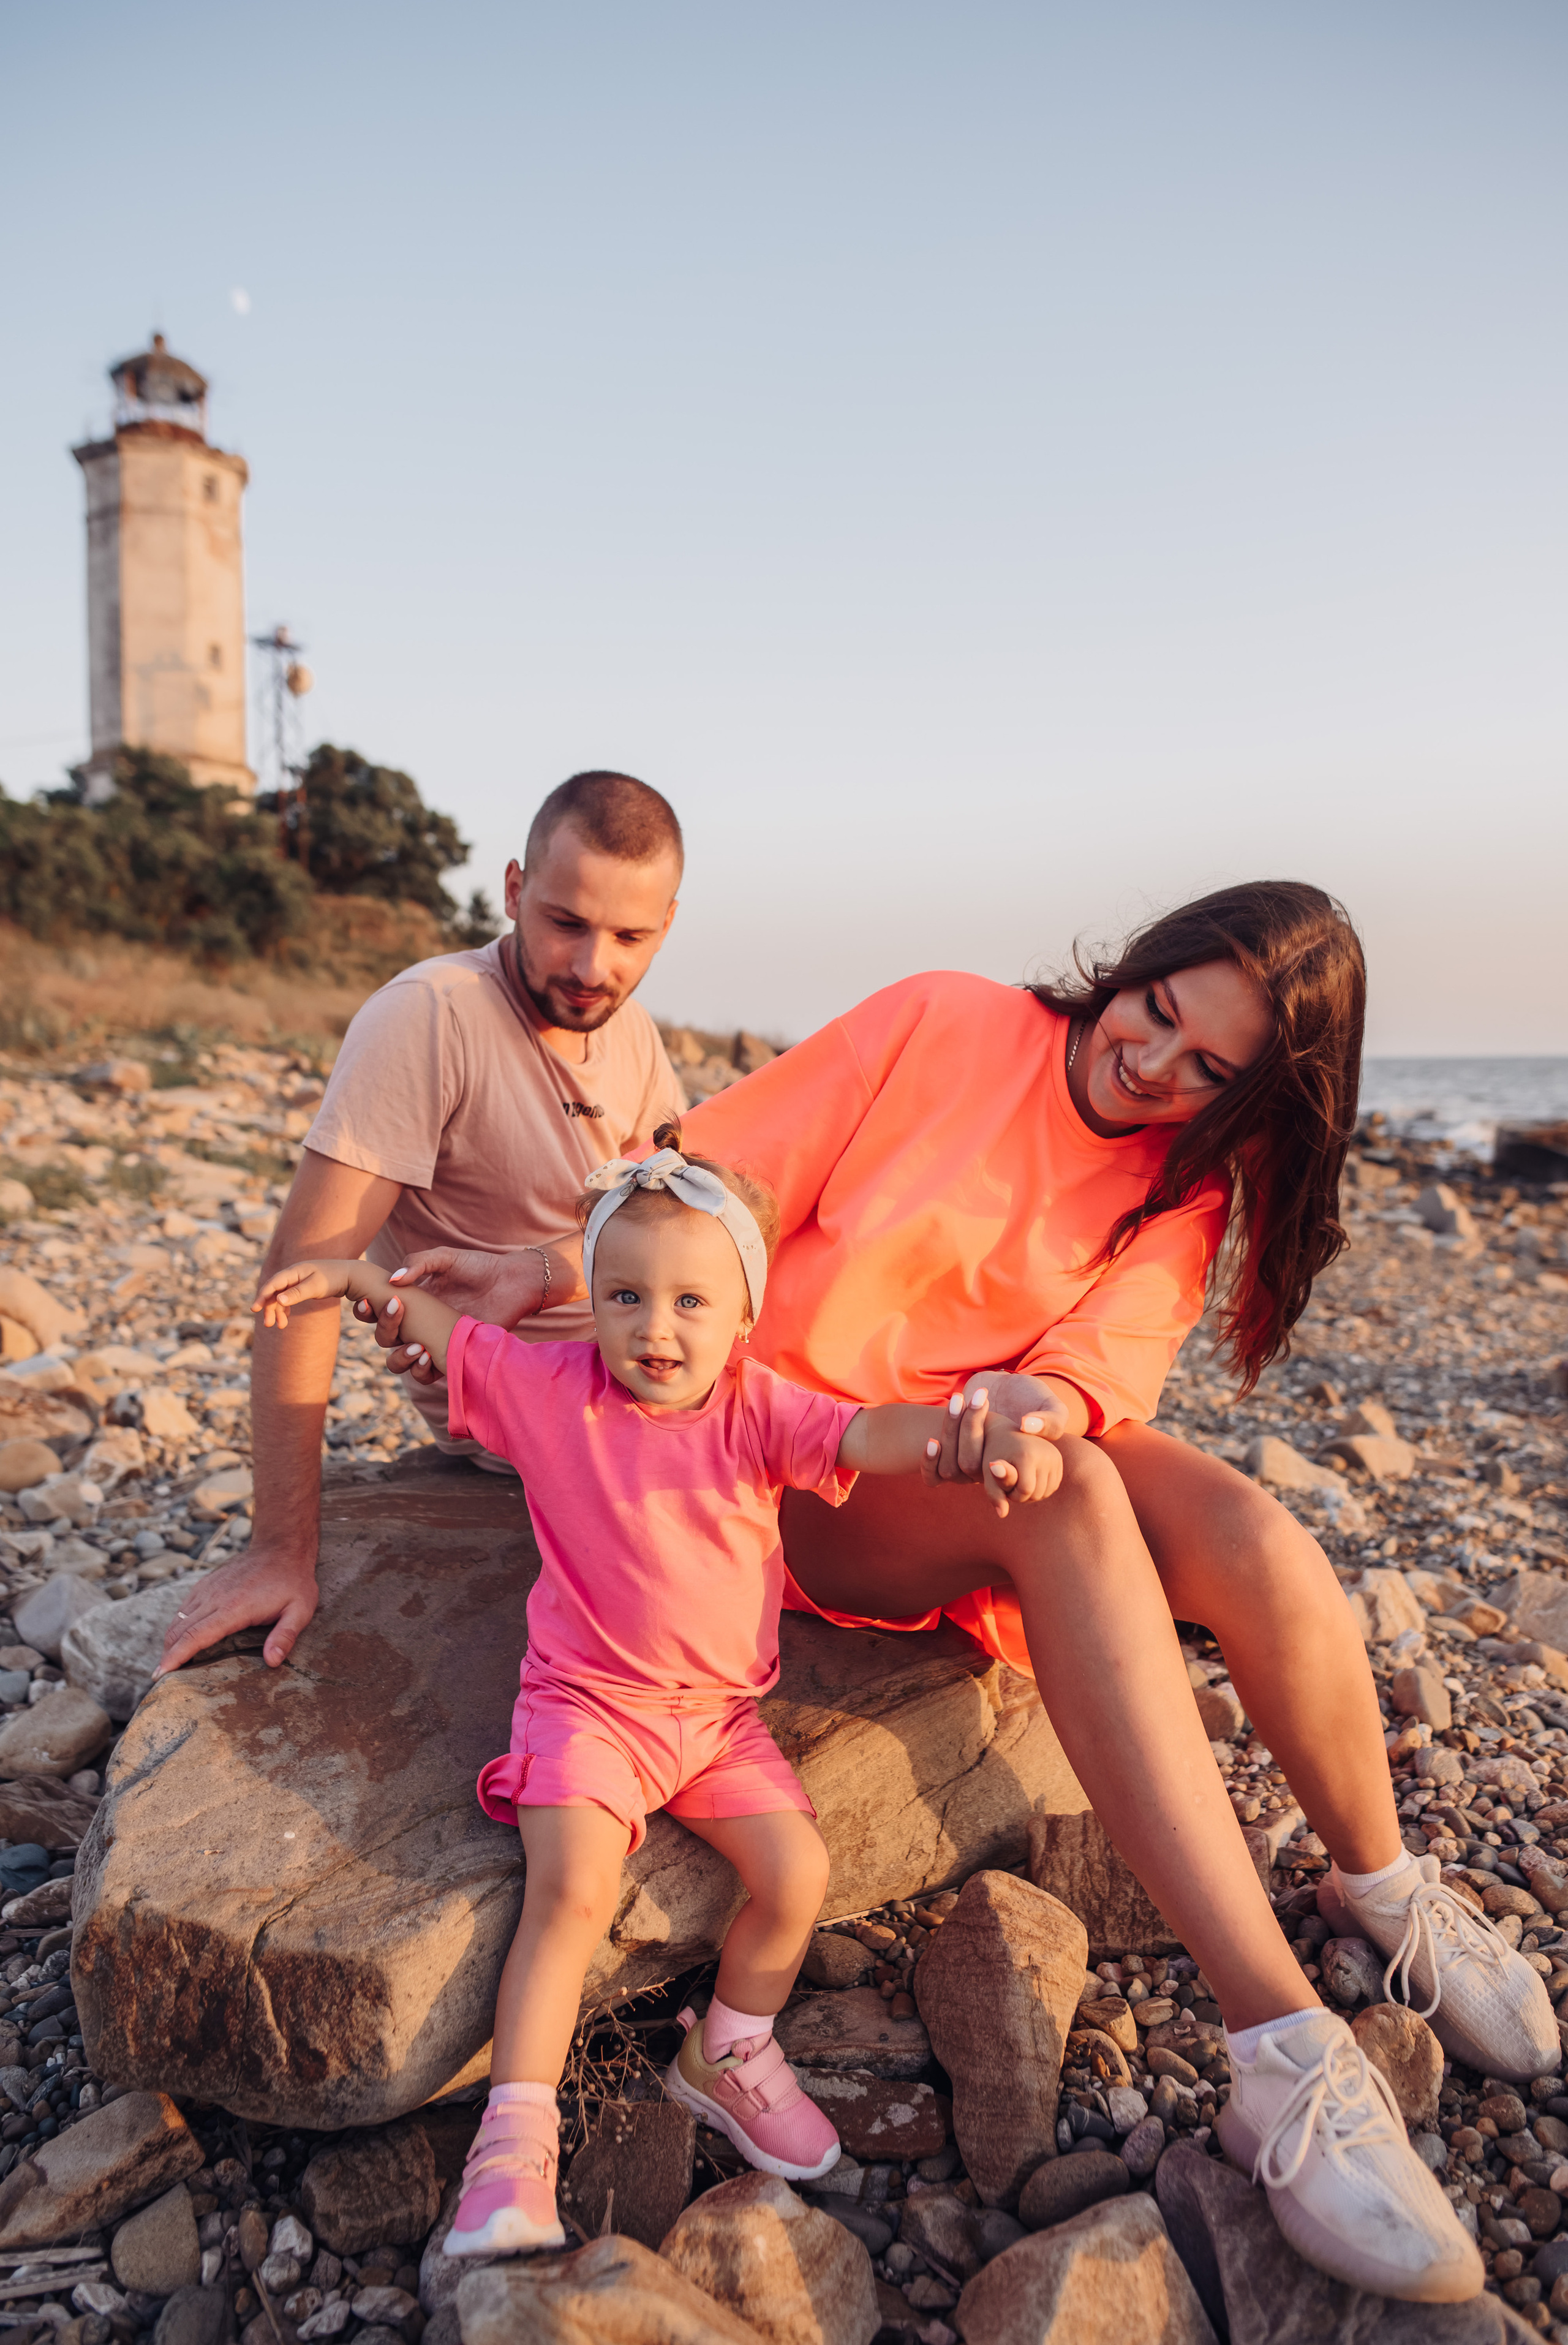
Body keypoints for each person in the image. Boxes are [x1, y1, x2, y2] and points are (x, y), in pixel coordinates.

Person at [375, 881, 1545, 2303]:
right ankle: (1279, 2054)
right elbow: (722, 1190)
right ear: (1134, 966)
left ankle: (1384, 1887)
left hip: (962, 1451)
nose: (1156, 1066)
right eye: (1157, 1011)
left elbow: (1089, 1378)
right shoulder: (942, 1020)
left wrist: (1021, 1402)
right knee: (1075, 1503)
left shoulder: (1180, 1191)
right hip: (776, 1461)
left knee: (1246, 1531)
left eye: (1210, 1071)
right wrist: (542, 1275)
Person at [252, 1131, 1057, 2256]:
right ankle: (514, 2144)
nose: (655, 1328)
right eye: (624, 1295)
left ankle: (726, 2049)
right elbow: (454, 1338)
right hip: (587, 1707)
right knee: (572, 1890)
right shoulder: (551, 1389)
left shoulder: (757, 1407)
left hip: (717, 1722)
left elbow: (871, 1430)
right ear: (595, 1303)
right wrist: (354, 1280)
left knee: (797, 1871)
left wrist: (975, 1441)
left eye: (690, 1301)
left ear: (740, 1318)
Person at [156, 770, 688, 1684]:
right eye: (565, 922)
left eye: (630, 936)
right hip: (537, 1418)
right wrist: (281, 1547)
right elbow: (302, 1270)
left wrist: (541, 1270)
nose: (593, 966)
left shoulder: (631, 1032)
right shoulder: (431, 1015)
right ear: (515, 890)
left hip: (651, 1370)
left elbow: (674, 1226)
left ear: (666, 923)